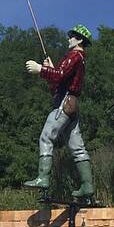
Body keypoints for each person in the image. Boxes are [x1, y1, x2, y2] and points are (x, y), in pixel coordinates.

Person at [24, 24, 93, 199]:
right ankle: (87, 187)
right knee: (78, 148)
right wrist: (51, 69)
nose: (68, 39)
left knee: (46, 137)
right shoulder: (80, 59)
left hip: (64, 104)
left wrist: (41, 69)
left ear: (79, 39)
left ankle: (43, 178)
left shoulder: (74, 56)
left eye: (71, 36)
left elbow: (60, 75)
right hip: (73, 105)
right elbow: (59, 80)